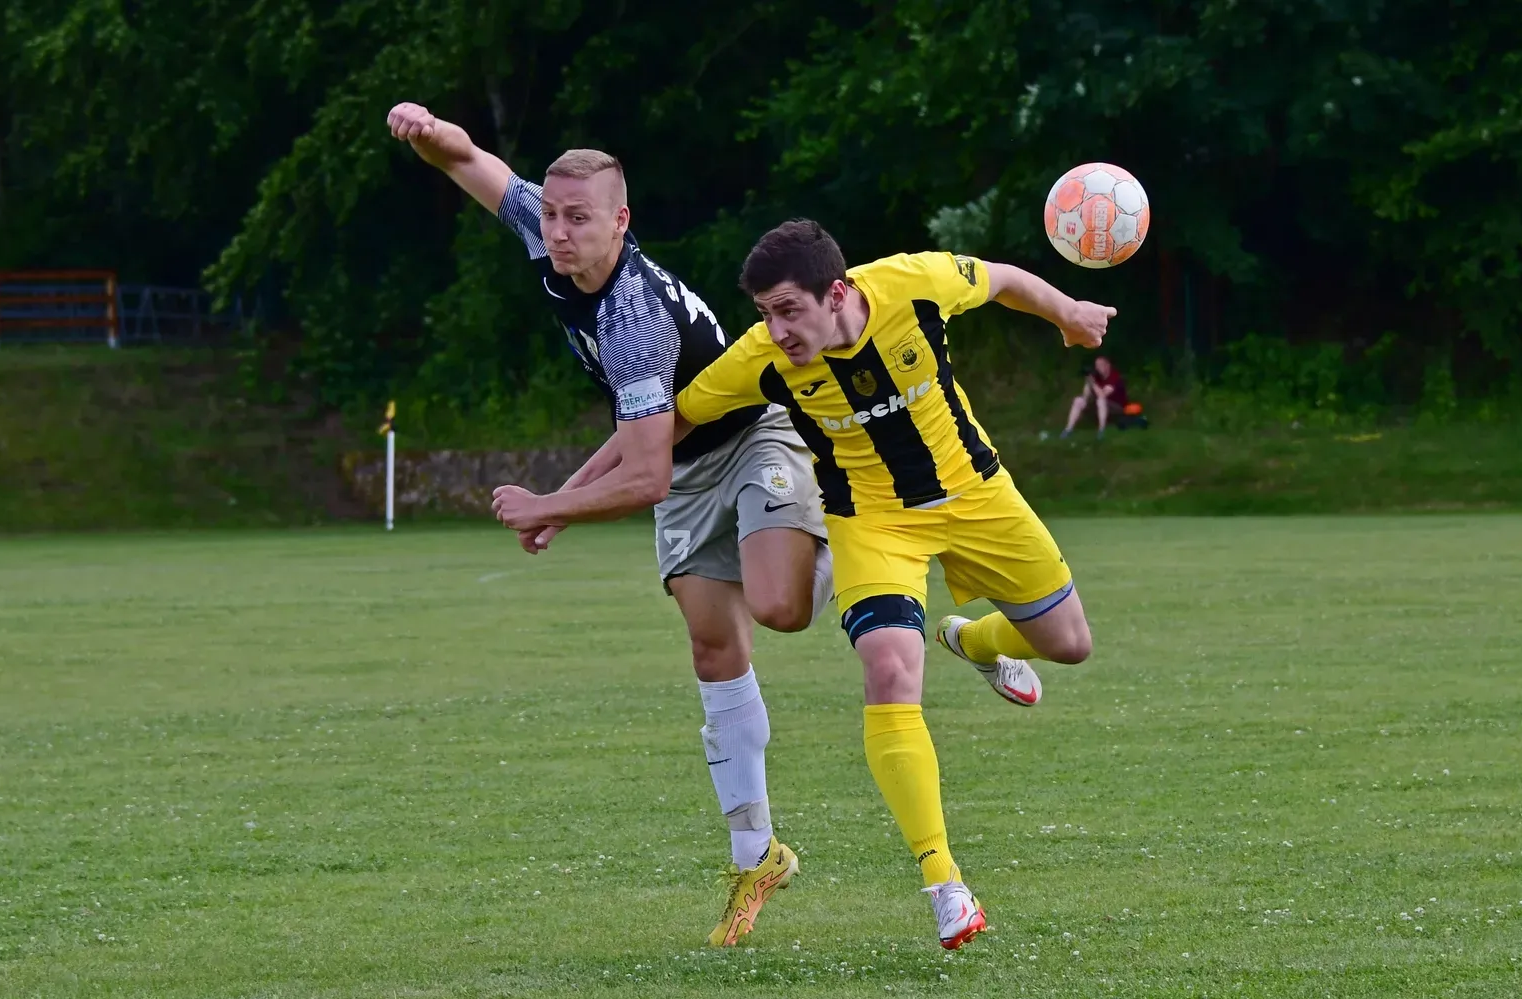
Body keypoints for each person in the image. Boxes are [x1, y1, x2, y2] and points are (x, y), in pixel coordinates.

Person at [387, 103, 834, 947]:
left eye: (578, 218)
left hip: (756, 436)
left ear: (620, 222)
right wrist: (428, 130)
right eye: (552, 215)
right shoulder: (547, 228)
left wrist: (551, 503)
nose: (559, 231)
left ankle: (864, 523)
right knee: (712, 643)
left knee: (781, 607)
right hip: (683, 464)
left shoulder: (633, 318)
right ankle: (757, 855)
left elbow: (645, 472)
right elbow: (471, 163)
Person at [674, 220, 1112, 950]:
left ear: (837, 291)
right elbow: (675, 416)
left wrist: (1066, 311)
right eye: (764, 314)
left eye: (789, 310)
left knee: (1070, 644)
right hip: (873, 522)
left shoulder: (917, 282)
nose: (776, 330)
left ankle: (973, 640)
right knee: (886, 669)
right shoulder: (762, 359)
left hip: (977, 494)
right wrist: (569, 497)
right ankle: (945, 884)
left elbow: (1001, 277)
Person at [1061, 354, 1127, 439]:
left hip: (1117, 406)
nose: (1098, 368)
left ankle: (1101, 430)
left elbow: (1103, 395)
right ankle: (1068, 429)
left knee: (1101, 400)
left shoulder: (1114, 376)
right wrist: (1088, 383)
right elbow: (1085, 396)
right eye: (1097, 366)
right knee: (1078, 400)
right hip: (1099, 405)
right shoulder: (1096, 376)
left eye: (1100, 365)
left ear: (1107, 365)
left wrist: (1093, 384)